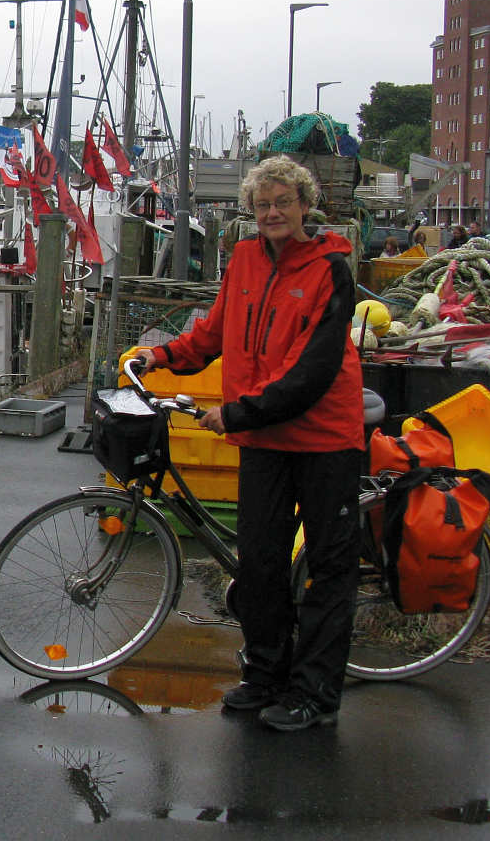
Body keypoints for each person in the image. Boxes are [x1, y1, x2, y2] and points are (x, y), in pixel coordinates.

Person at [136, 156, 362, 731]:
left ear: (305, 205)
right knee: (260, 563)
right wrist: (163, 355)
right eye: (263, 204)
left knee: (329, 568)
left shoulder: (331, 269)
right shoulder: (243, 259)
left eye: (284, 202)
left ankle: (315, 694)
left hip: (323, 437)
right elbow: (215, 332)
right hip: (262, 435)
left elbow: (312, 371)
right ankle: (265, 674)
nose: (273, 213)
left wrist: (239, 412)